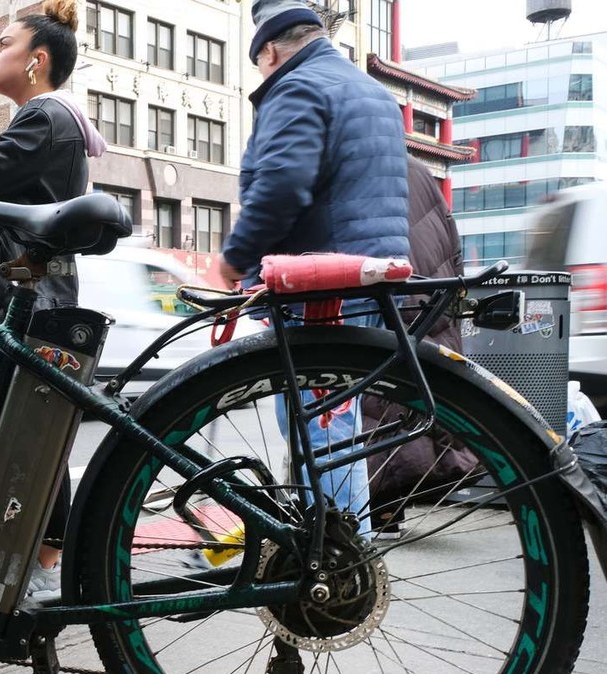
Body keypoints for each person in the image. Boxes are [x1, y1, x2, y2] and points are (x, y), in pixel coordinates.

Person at [217, 0, 410, 540]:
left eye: (259, 62)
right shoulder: (370, 91)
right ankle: (340, 551)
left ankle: (335, 561)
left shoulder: (298, 86)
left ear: (271, 50)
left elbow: (281, 185)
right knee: (337, 426)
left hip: (319, 285)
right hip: (367, 279)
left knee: (318, 430)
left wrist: (234, 257)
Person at [0, 0, 104, 596]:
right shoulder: (45, 118)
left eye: (4, 44)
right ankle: (37, 559)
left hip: (33, 303)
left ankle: (40, 565)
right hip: (30, 297)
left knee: (30, 440)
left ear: (36, 62)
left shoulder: (45, 118)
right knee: (29, 435)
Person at [362, 157, 476, 539]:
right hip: (435, 295)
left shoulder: (362, 168)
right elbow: (452, 241)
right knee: (417, 396)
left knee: (377, 401)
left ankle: (379, 508)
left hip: (394, 292)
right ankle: (393, 506)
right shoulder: (420, 171)